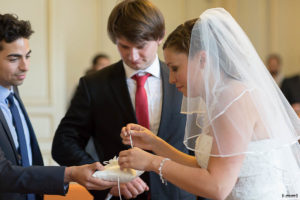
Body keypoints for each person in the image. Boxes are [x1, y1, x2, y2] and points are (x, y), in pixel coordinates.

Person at [118, 8, 300, 199]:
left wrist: (152, 163)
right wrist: (155, 144)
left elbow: (217, 187)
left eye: (175, 68)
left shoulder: (233, 99)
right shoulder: (225, 95)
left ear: (203, 59)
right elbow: (206, 166)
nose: (171, 79)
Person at [51, 0, 196, 200]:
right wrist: (105, 179)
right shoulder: (94, 84)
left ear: (160, 37)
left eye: (141, 46)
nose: (133, 56)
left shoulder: (186, 80)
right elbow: (63, 143)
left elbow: (199, 148)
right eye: (124, 46)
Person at [0, 13, 117, 200]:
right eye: (14, 59)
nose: (25, 66)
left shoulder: (12, 89)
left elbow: (26, 159)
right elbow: (3, 174)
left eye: (27, 56)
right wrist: (69, 174)